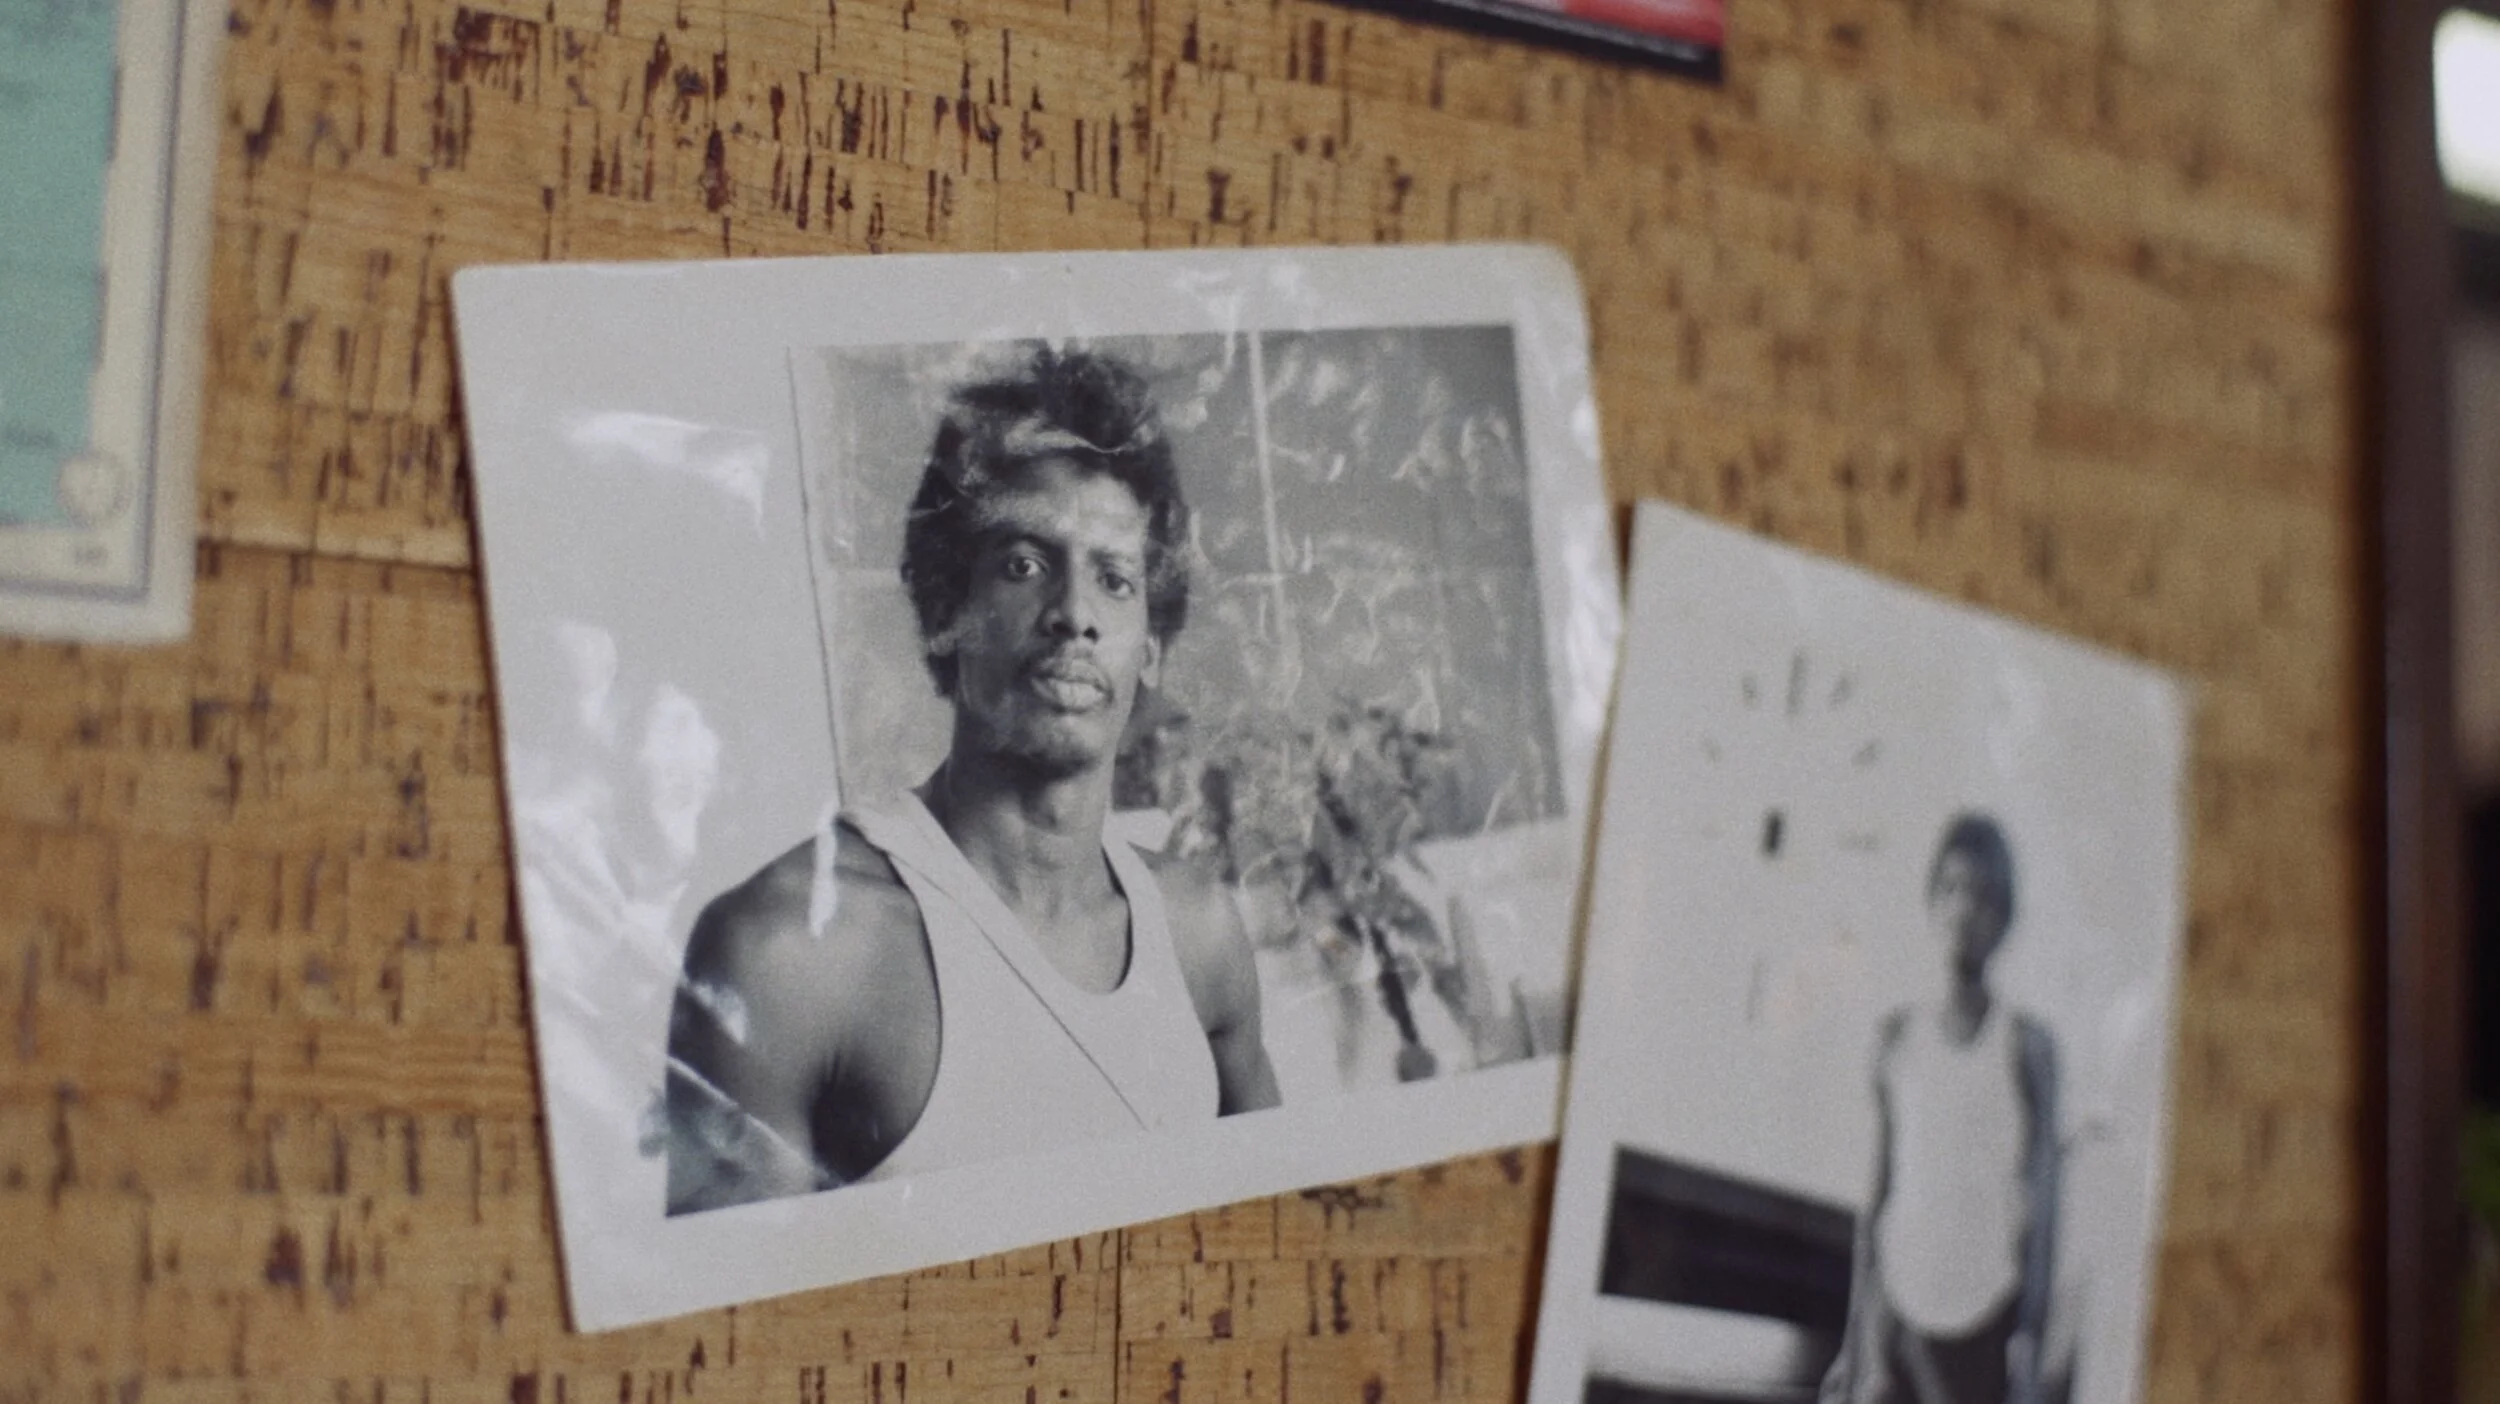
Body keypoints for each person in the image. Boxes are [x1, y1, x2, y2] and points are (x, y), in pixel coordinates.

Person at [662, 346, 1282, 1214]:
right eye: (1024, 565)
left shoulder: (1199, 933)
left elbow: (1279, 1232)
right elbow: (738, 1303)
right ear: (948, 612)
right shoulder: (790, 954)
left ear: (1150, 647)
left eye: (1115, 579)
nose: (1074, 614)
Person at [1822, 812, 2061, 1404]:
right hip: (1897, 1317)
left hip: (1982, 1319)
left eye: (1982, 895)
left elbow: (2044, 1211)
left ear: (2003, 918)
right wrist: (1855, 1344)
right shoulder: (1896, 1038)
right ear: (1932, 900)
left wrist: (2030, 1346)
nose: (1963, 909)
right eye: (1951, 888)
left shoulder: (2028, 1048)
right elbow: (1876, 1196)